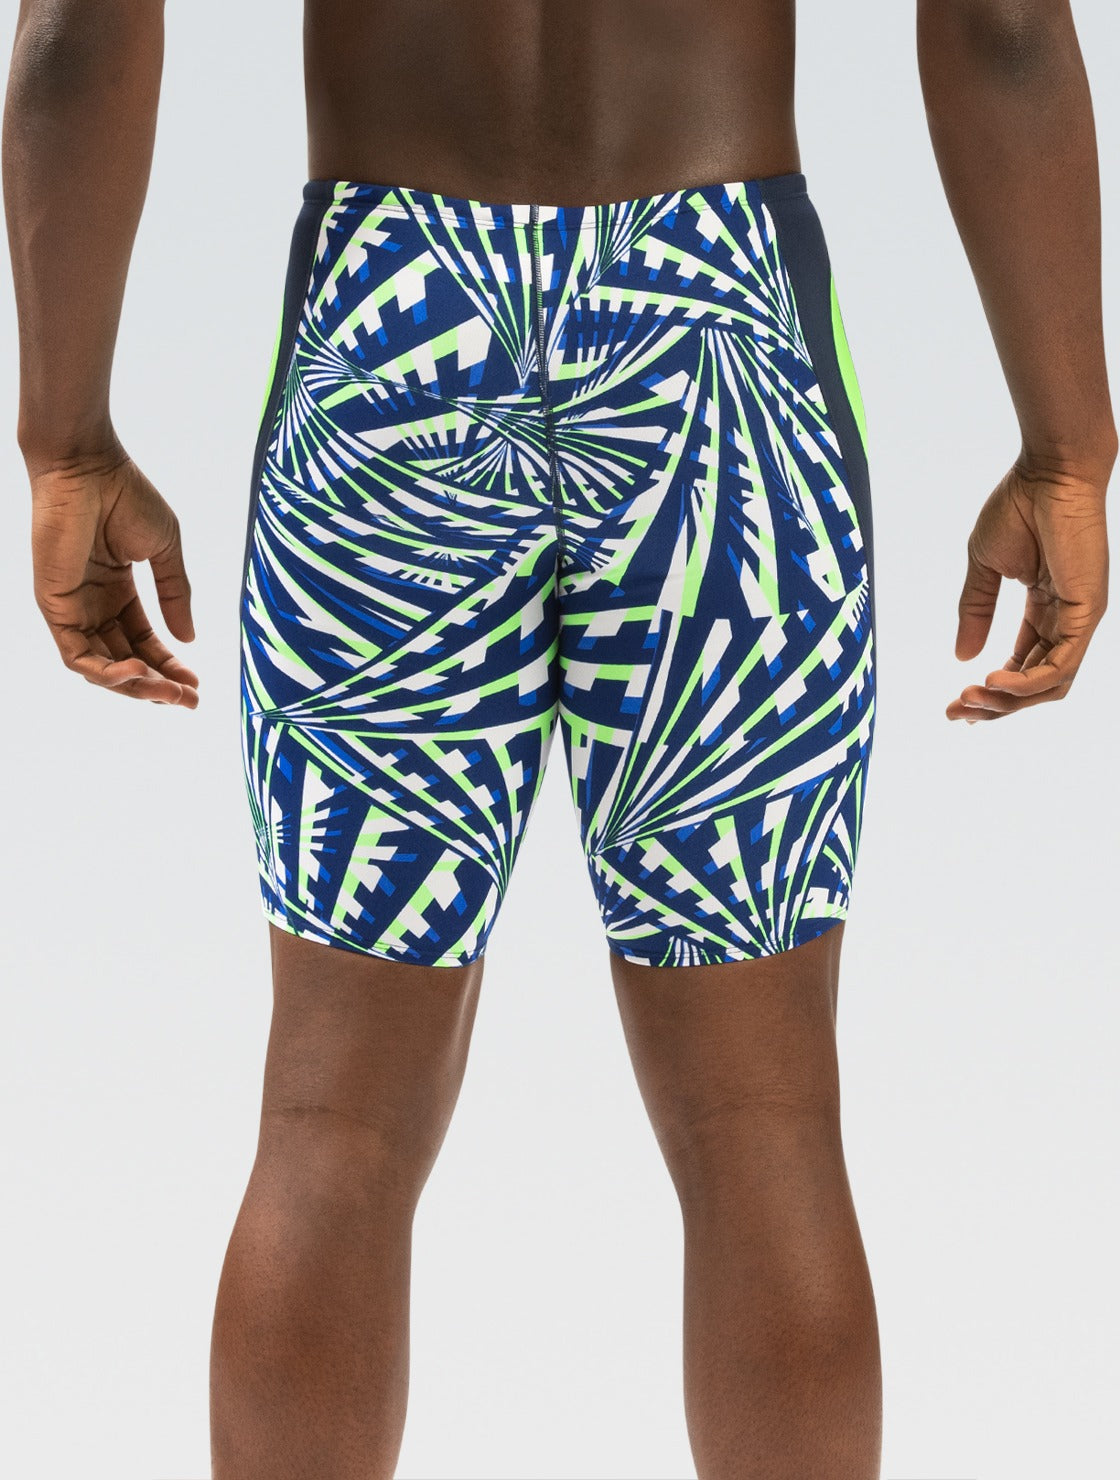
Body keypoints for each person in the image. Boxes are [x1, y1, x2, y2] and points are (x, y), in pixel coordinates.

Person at [3, 1, 1113, 1476]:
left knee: (332, 1121)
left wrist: (66, 438)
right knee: (765, 1122)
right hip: (718, 333)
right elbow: (1003, 22)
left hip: (395, 327)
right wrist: (1067, 445)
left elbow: (79, 29)